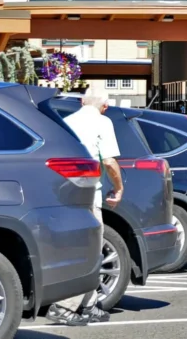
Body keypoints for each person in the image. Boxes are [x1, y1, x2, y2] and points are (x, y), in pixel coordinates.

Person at [46, 90, 124, 326]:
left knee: (77, 249)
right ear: (105, 106)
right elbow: (109, 161)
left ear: (81, 102)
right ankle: (65, 306)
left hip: (62, 193)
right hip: (88, 193)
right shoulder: (103, 122)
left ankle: (89, 305)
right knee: (90, 251)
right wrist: (119, 188)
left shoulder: (66, 122)